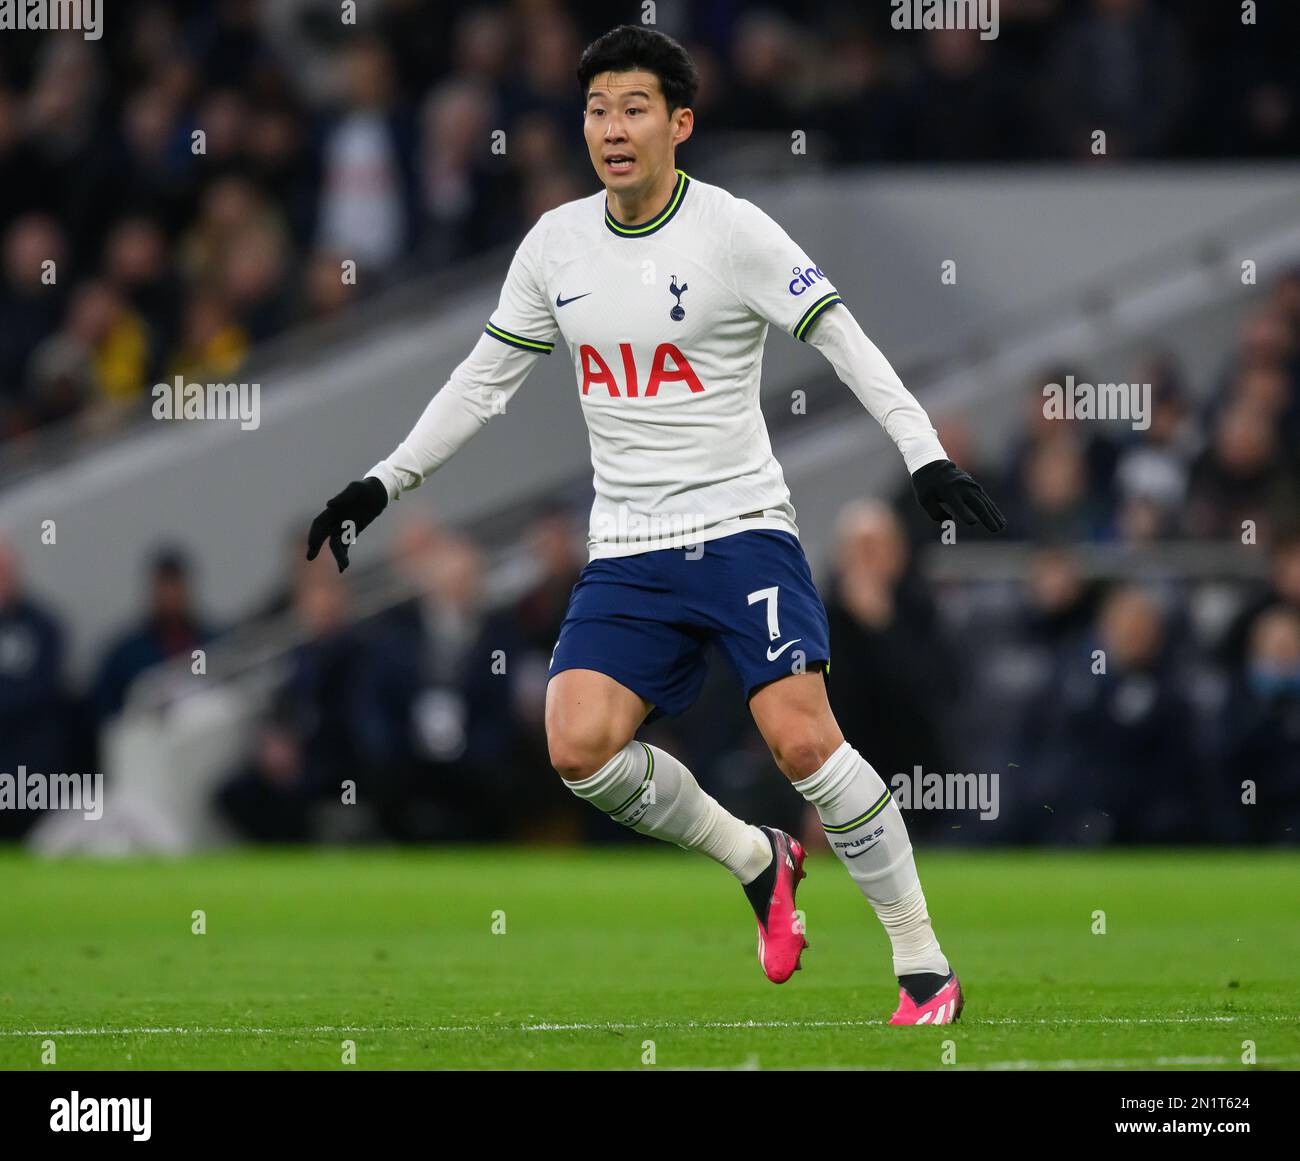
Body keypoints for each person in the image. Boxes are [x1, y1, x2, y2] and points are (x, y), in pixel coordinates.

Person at [306, 25, 1004, 1025]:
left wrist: (924, 455)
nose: (612, 128)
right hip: (628, 550)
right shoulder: (556, 245)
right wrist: (380, 485)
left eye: (634, 108)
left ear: (679, 122)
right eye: (596, 109)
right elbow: (481, 383)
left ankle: (923, 967)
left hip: (741, 531)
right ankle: (756, 858)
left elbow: (844, 340)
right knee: (577, 745)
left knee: (801, 743)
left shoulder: (734, 232)